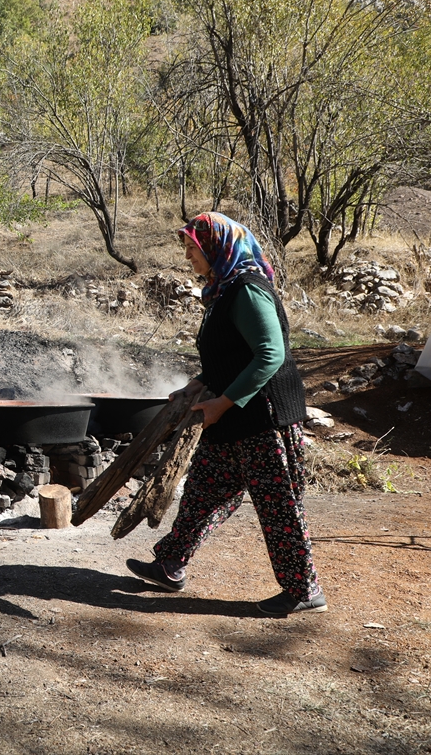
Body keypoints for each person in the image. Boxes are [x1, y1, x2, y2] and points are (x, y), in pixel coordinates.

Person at [126, 212, 326, 616]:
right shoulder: (223, 290)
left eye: (192, 249)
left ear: (218, 248)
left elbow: (270, 353)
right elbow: (230, 354)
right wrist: (198, 385)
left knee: (278, 505)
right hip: (235, 412)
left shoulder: (248, 290)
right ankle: (171, 564)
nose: (187, 257)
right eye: (186, 249)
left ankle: (304, 590)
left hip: (262, 416)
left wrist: (220, 403)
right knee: (204, 491)